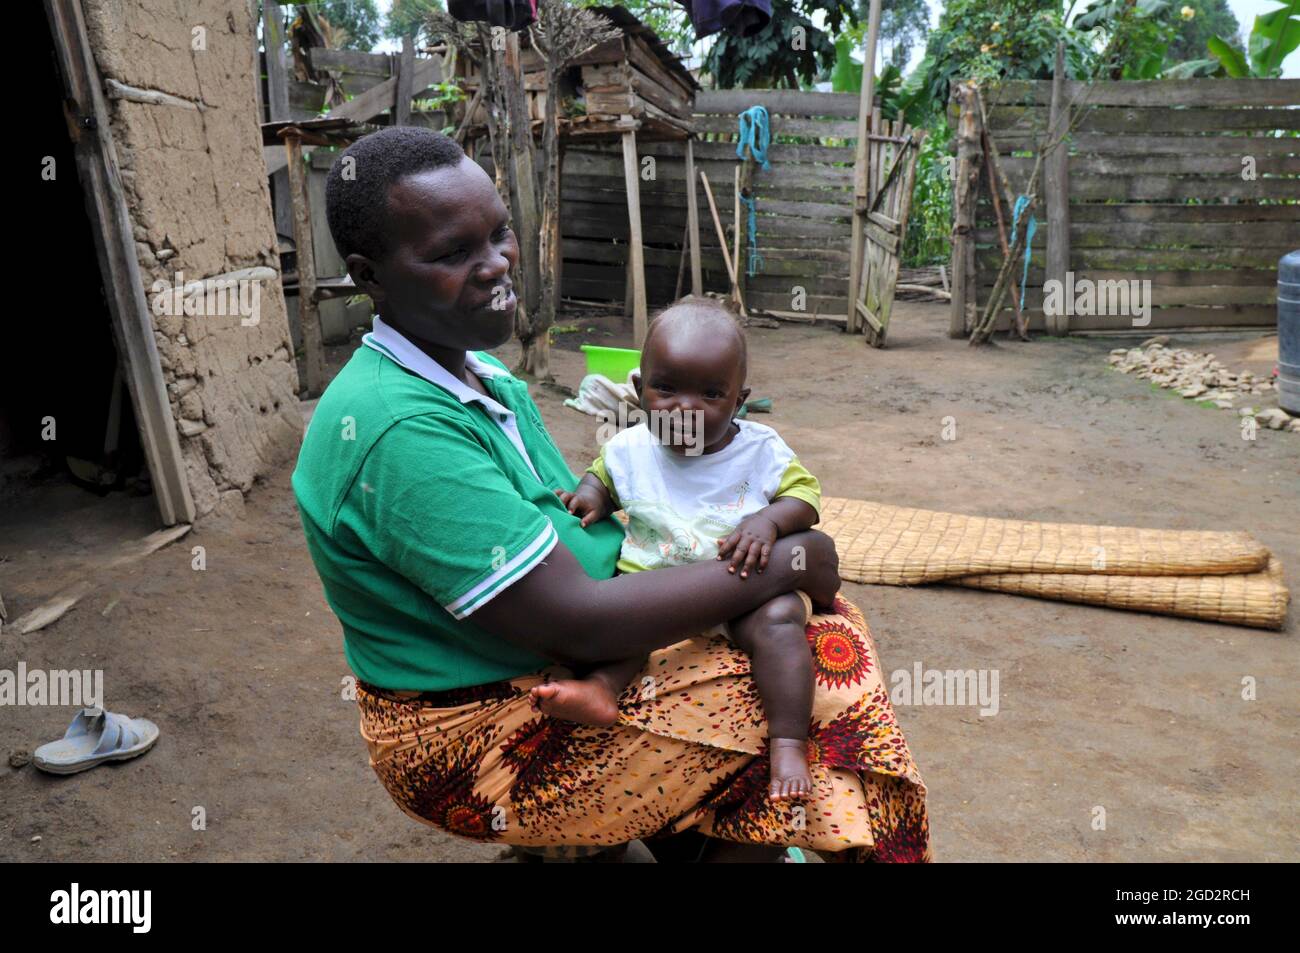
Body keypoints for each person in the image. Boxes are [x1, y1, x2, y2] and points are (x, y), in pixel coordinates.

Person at [293, 125, 929, 861]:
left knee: (798, 633)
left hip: (546, 652)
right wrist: (791, 560)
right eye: (451, 252)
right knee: (822, 672)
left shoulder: (479, 376)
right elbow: (580, 623)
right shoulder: (397, 429)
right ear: (370, 275)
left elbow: (568, 521)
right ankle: (716, 835)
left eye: (498, 233)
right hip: (474, 732)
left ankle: (672, 828)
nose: (496, 262)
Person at [531, 301, 822, 802]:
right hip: (656, 588)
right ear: (639, 388)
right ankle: (602, 688)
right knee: (619, 623)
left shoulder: (760, 450)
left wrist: (768, 521)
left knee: (780, 624)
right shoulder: (629, 448)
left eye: (710, 394)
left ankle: (789, 741)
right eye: (666, 389)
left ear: (739, 400)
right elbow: (602, 479)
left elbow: (805, 498)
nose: (684, 408)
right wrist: (588, 498)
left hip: (744, 588)